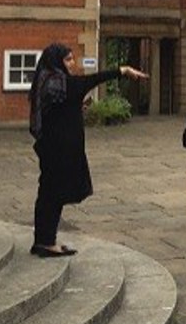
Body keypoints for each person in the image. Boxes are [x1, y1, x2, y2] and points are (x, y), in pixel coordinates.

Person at [28, 44, 147, 255]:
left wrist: (77, 107)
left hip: (53, 147)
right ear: (56, 62)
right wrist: (122, 70)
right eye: (67, 60)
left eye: (72, 59)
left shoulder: (48, 80)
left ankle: (44, 239)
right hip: (59, 150)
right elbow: (89, 81)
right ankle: (46, 242)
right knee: (52, 195)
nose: (72, 64)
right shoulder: (57, 82)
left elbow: (58, 110)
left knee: (49, 194)